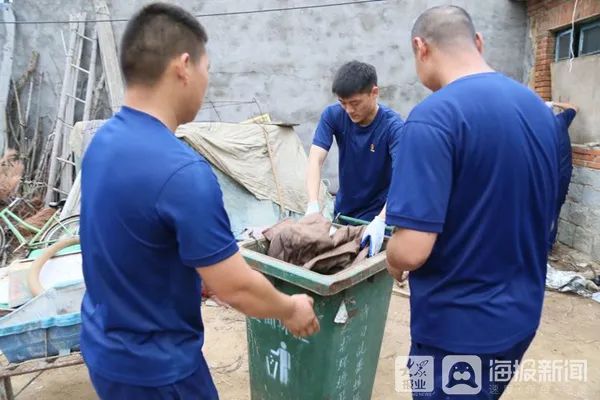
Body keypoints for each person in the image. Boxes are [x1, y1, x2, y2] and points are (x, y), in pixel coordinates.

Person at [79, 3, 319, 399]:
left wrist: (195, 275)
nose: (206, 82)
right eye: (207, 69)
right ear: (184, 66)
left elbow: (131, 242)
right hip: (158, 371)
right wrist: (290, 309)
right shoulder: (182, 172)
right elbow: (236, 287)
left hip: (104, 351)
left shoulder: (101, 144)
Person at [384, 6, 558, 399]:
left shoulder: (433, 118)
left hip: (455, 332)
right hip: (519, 319)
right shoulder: (539, 111)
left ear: (420, 47)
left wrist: (392, 260)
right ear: (478, 42)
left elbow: (411, 250)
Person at [305, 61, 404, 256]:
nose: (349, 110)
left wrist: (381, 220)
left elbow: (404, 177)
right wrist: (313, 205)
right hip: (344, 213)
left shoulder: (394, 128)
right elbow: (315, 159)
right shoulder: (333, 115)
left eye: (355, 103)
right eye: (343, 103)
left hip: (379, 216)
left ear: (374, 92)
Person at [546, 100, 578, 249]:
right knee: (554, 210)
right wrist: (554, 103)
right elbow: (574, 107)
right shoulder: (561, 120)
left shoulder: (537, 127)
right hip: (561, 175)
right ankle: (547, 245)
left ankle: (541, 245)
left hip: (548, 175)